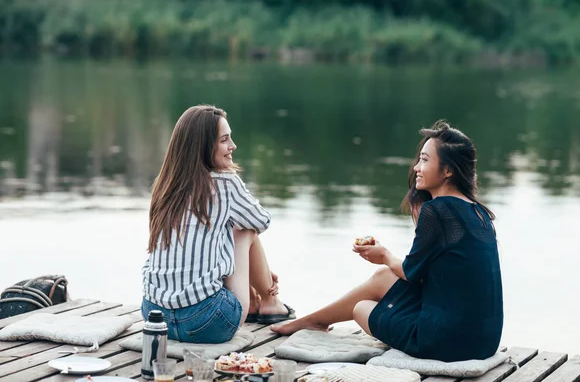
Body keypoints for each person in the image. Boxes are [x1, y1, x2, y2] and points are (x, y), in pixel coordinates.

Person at [272, 120, 503, 362]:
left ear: (448, 171)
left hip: (446, 344)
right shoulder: (479, 212)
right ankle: (316, 320)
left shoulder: (437, 210)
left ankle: (314, 321)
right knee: (383, 277)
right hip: (484, 342)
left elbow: (411, 273)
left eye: (424, 160)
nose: (416, 167)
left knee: (361, 308)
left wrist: (383, 255)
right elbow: (431, 275)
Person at [142, 105, 294, 344]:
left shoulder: (164, 185)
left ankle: (260, 300)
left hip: (155, 319)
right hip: (208, 323)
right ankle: (268, 301)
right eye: (224, 140)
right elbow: (261, 220)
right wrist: (257, 274)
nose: (232, 146)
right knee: (244, 231)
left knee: (224, 229)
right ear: (202, 146)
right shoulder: (225, 183)